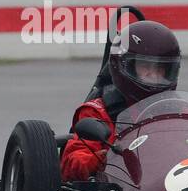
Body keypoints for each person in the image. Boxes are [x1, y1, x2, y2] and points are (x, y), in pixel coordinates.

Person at [59, 20, 181, 181]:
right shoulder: (97, 112)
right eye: (145, 67)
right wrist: (99, 159)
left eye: (160, 69)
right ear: (123, 66)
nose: (153, 75)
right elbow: (72, 163)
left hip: (174, 183)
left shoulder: (182, 109)